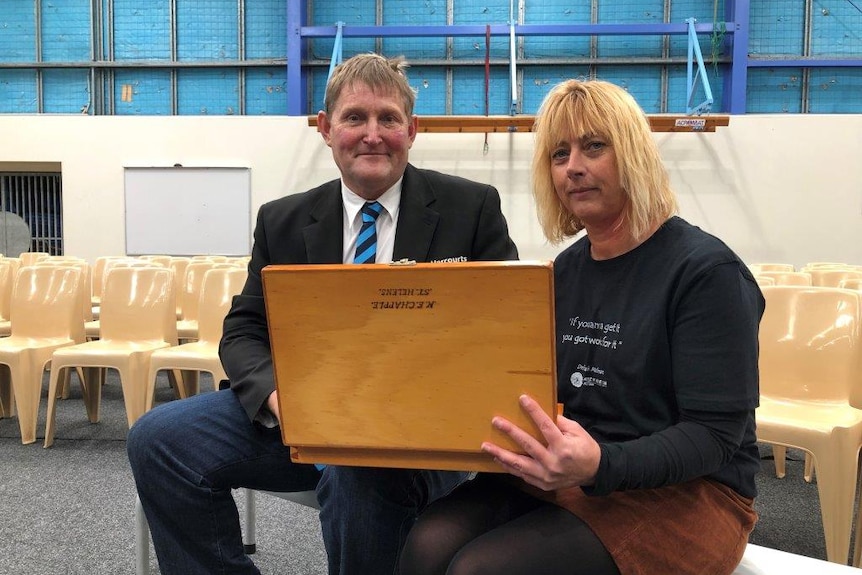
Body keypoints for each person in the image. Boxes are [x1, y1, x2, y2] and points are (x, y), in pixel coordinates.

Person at [127, 52, 518, 575]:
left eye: (389, 119)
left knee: (359, 473)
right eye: (355, 118)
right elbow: (244, 330)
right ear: (326, 128)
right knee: (158, 440)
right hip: (303, 414)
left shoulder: (471, 209)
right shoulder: (283, 221)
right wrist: (277, 396)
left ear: (413, 130)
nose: (372, 134)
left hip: (421, 432)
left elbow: (509, 327)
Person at [398, 79, 764, 575]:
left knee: (481, 570)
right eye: (558, 153)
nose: (573, 167)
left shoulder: (705, 273)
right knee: (426, 544)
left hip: (692, 493)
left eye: (594, 146)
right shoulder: (564, 272)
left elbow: (714, 437)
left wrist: (599, 465)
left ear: (632, 153)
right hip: (572, 472)